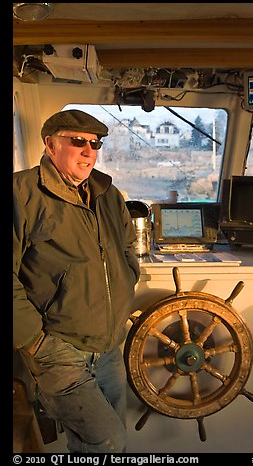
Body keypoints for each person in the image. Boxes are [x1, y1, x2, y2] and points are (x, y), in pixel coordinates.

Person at [13, 109, 140, 453]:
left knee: (110, 439)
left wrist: (128, 281)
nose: (89, 151)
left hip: (109, 344)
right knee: (108, 441)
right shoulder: (22, 193)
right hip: (57, 348)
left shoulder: (107, 193)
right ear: (50, 145)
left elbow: (128, 246)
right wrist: (34, 341)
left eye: (95, 144)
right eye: (78, 142)